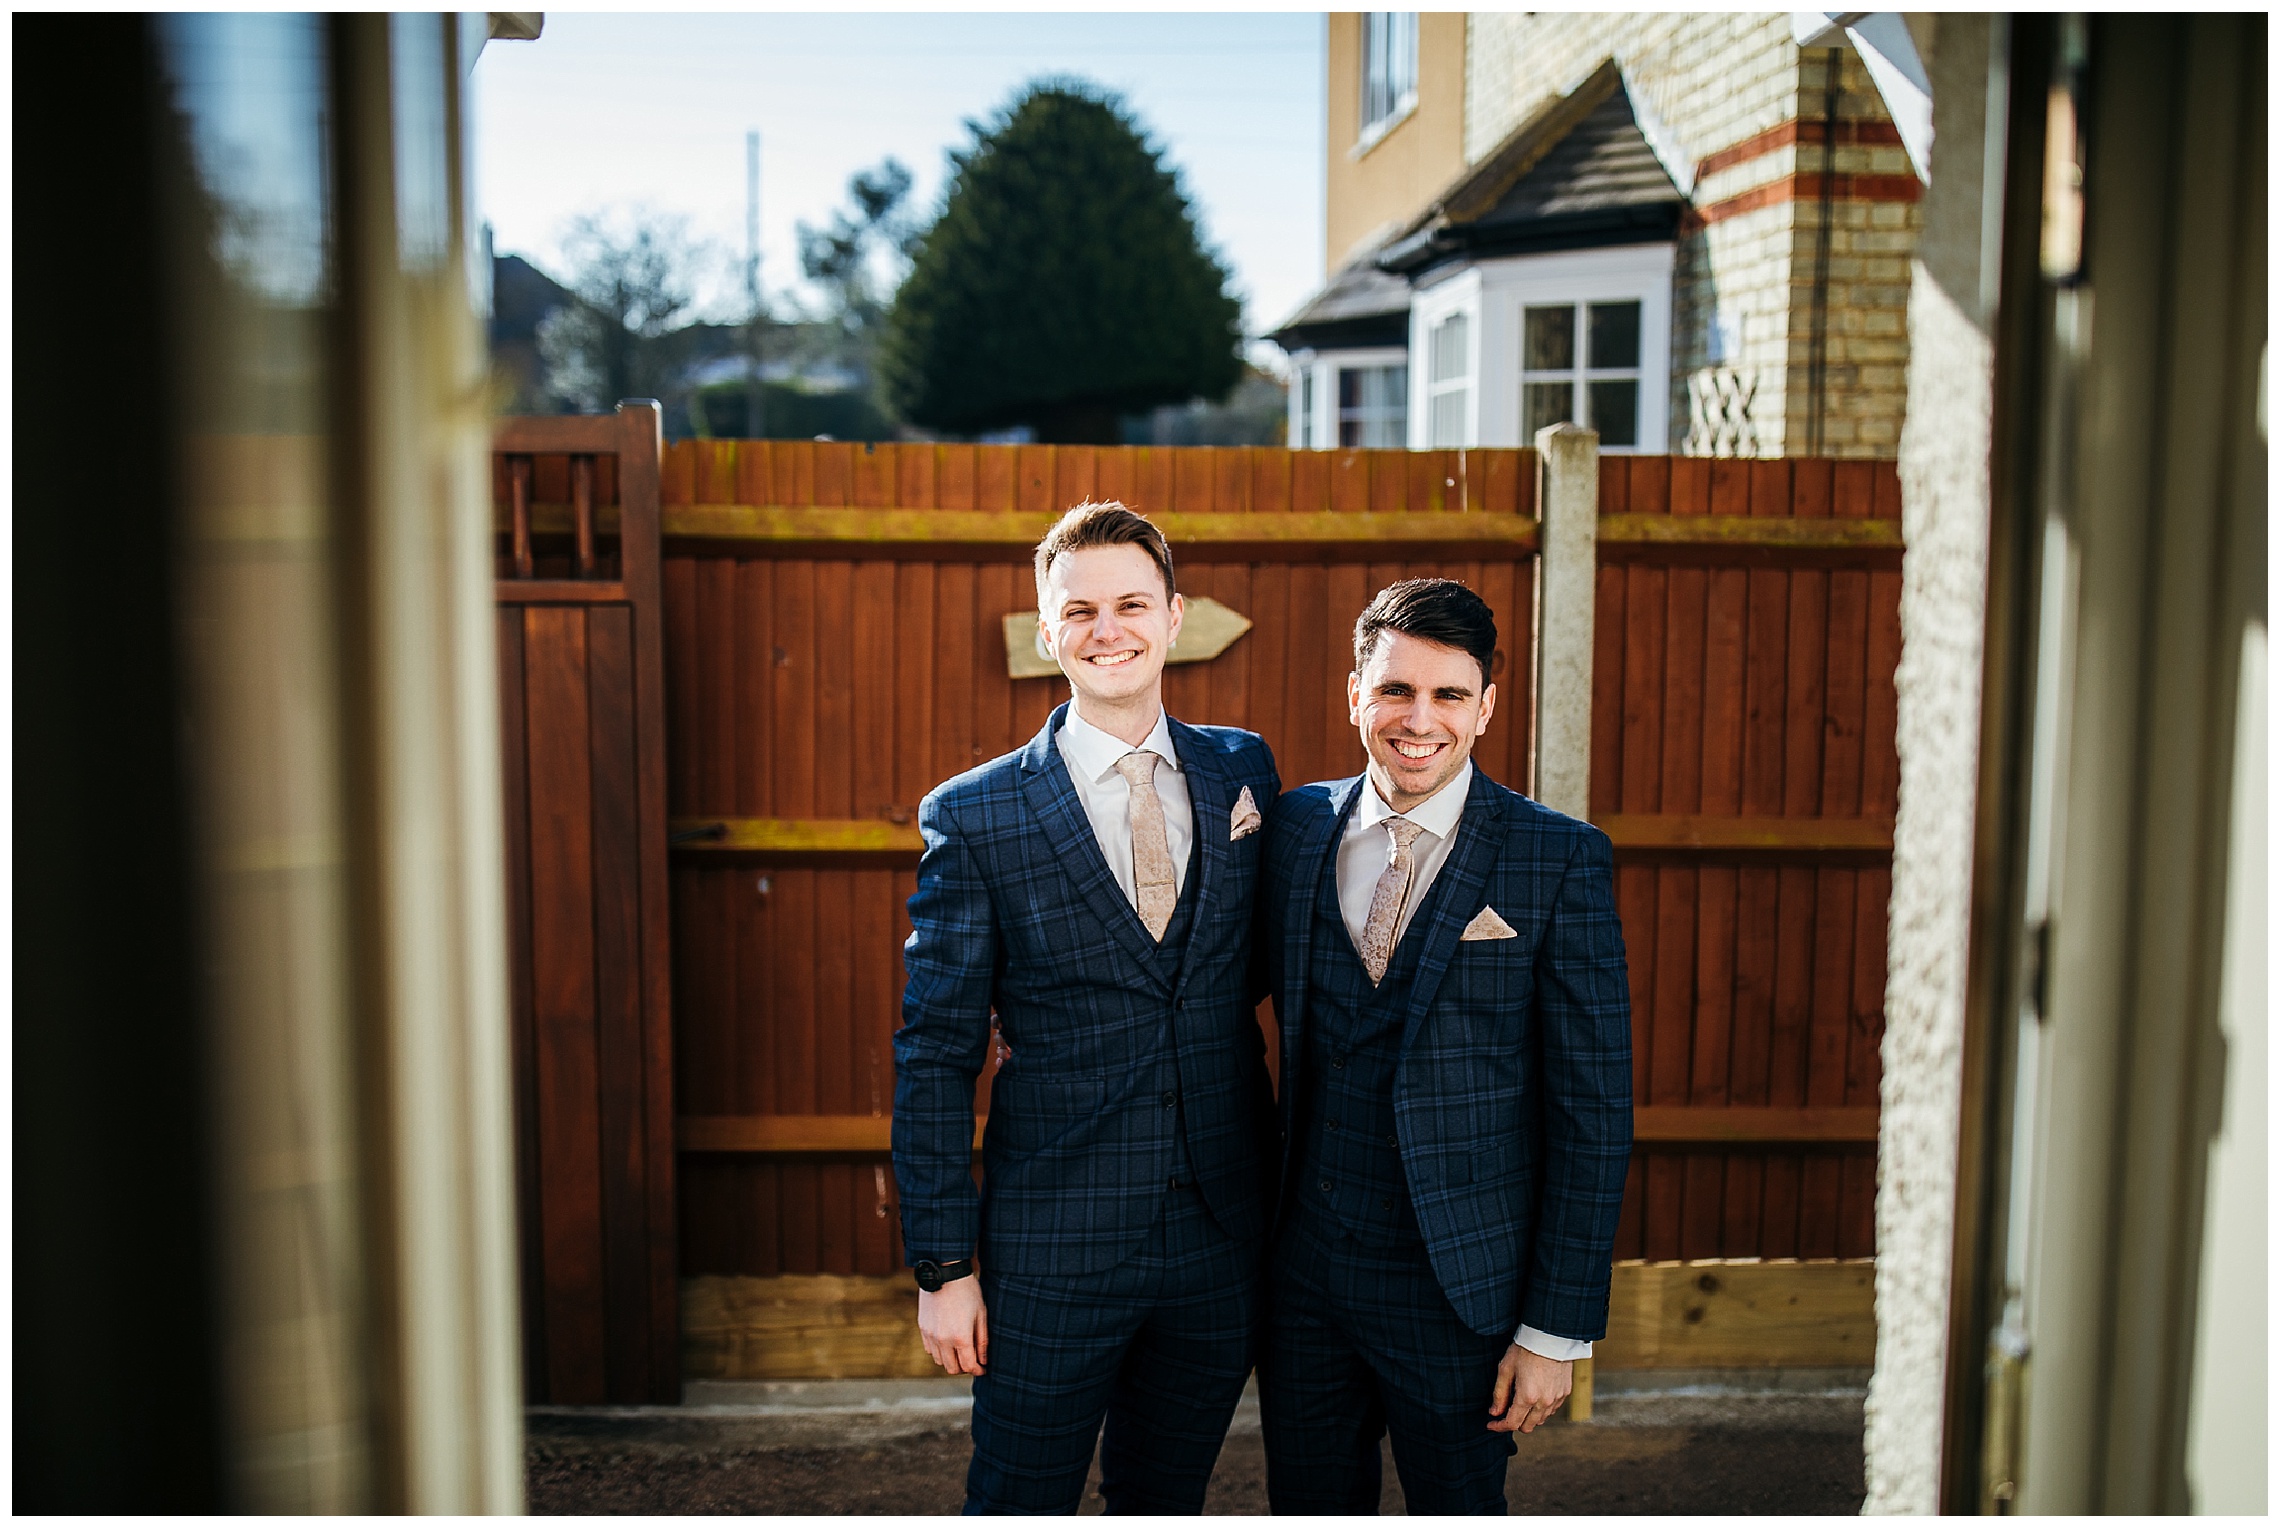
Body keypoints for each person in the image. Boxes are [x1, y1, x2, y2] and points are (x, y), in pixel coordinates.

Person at [892, 501, 1282, 1515]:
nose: (1109, 630)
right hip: (1052, 1238)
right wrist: (943, 1265)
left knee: (1166, 1496)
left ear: (1175, 614)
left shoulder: (1244, 771)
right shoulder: (975, 813)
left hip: (1218, 1231)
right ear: (1046, 631)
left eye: (1130, 604)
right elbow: (934, 1051)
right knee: (1020, 1495)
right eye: (1080, 610)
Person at [1255, 577, 1632, 1515]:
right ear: (1355, 694)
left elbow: (1592, 1110)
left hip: (1460, 1289)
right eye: (1394, 690)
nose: (1418, 720)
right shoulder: (1296, 828)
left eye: (1448, 695)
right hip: (1302, 1279)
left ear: (1485, 706)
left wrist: (1556, 1329)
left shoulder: (1558, 857)